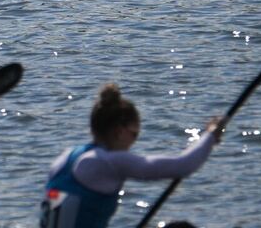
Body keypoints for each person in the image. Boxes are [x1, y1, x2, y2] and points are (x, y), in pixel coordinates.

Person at [37, 83, 224, 228]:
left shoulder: (65, 158)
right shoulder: (109, 161)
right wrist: (210, 135)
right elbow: (183, 165)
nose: (134, 142)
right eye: (134, 134)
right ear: (119, 131)